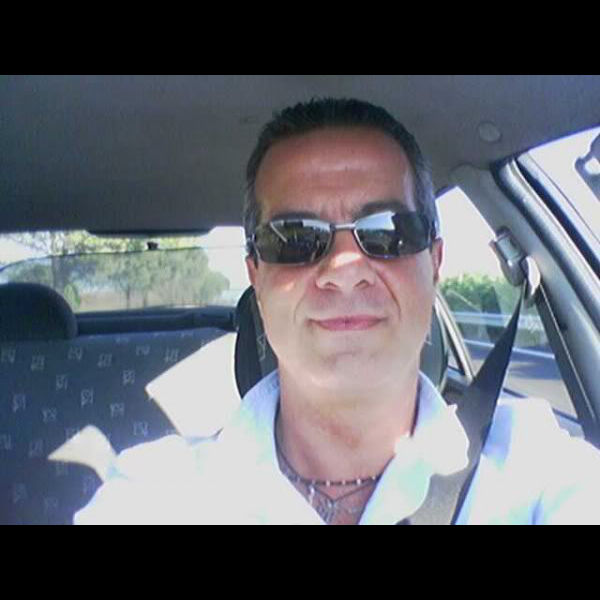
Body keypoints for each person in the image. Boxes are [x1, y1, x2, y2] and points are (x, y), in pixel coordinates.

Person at [74, 98, 600, 525]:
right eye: (295, 238)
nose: (345, 268)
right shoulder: (157, 495)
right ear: (256, 277)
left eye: (388, 231)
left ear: (434, 263)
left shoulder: (536, 468)